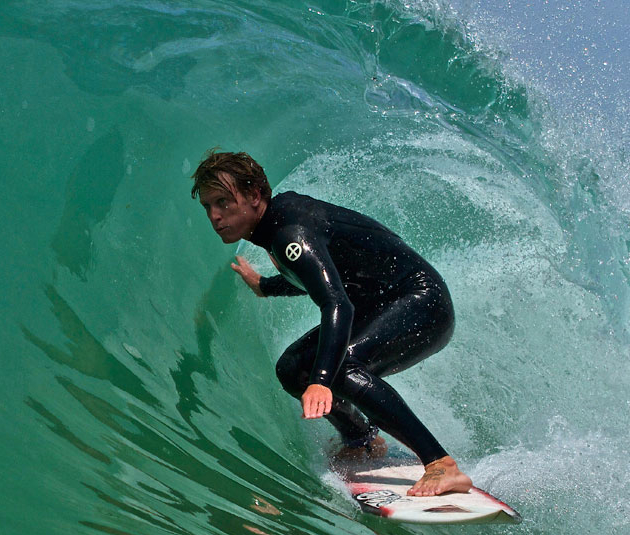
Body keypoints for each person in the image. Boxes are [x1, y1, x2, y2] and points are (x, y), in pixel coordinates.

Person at [192, 150, 472, 497]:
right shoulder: (278, 225)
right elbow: (322, 275)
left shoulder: (289, 232)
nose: (215, 216)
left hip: (422, 303)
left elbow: (335, 302)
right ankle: (362, 440)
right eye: (207, 207)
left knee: (336, 367)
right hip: (385, 303)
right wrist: (266, 286)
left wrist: (322, 382)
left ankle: (441, 464)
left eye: (222, 202)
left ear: (253, 195)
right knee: (293, 368)